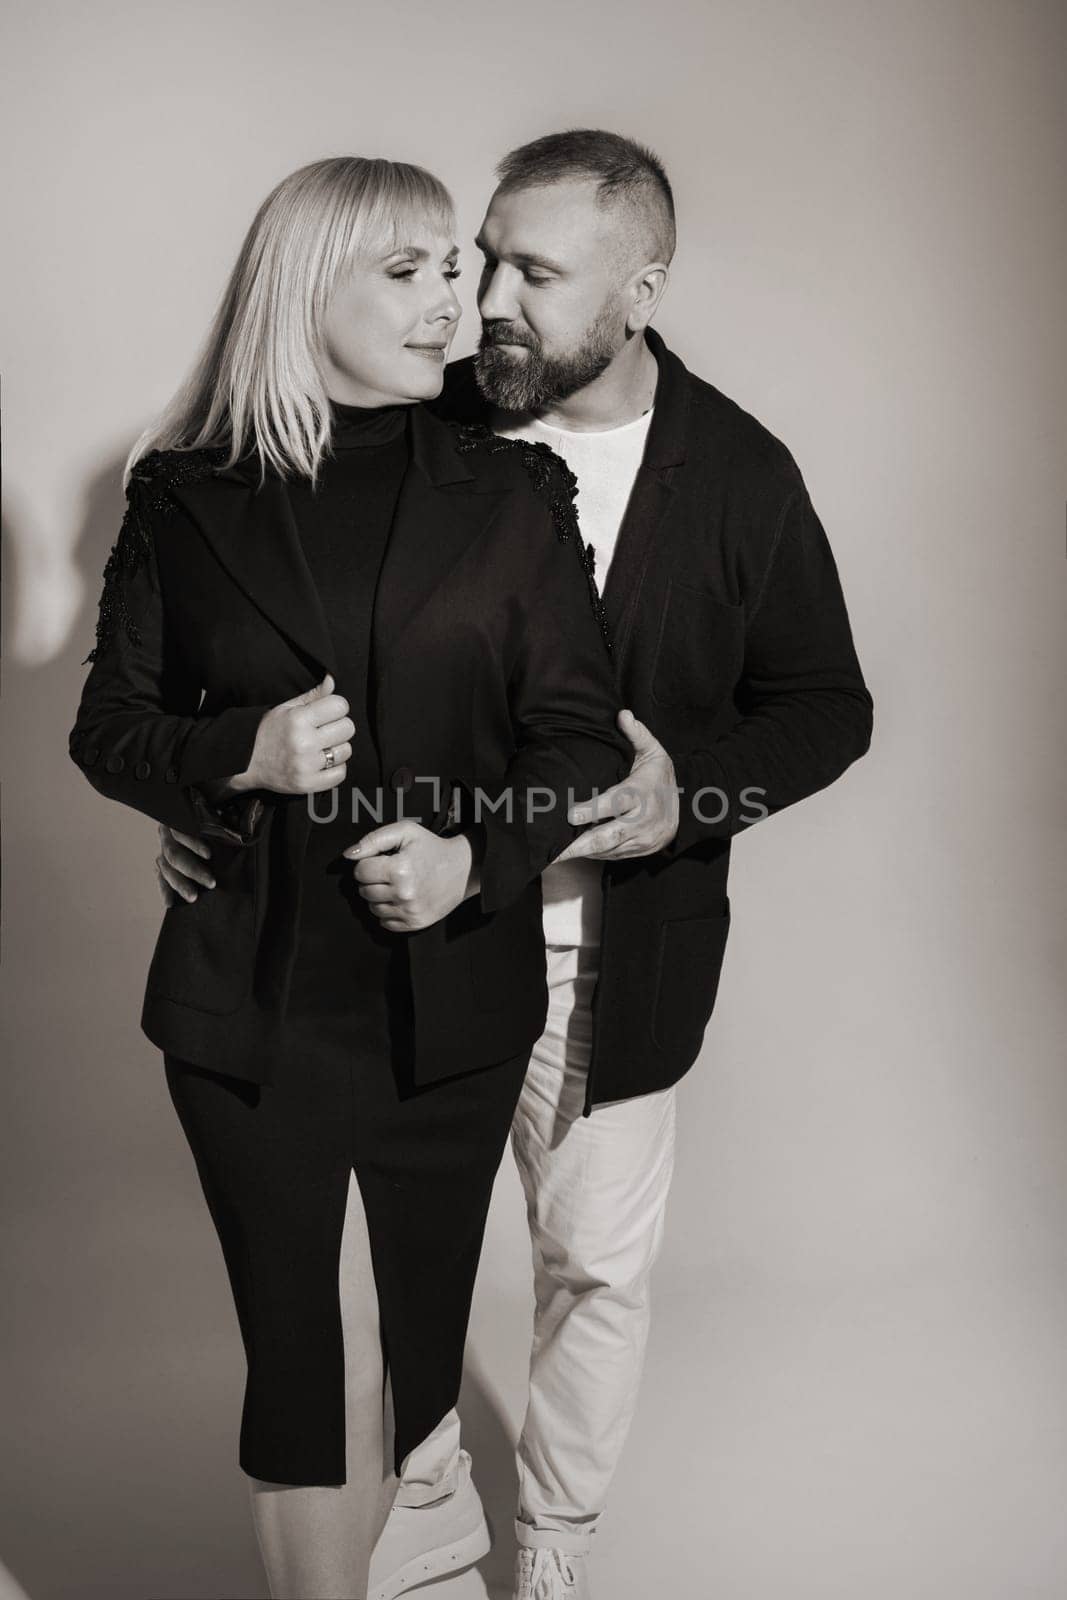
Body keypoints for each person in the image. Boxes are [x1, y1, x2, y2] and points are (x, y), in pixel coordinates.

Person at [157, 131, 874, 1600]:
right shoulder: (447, 419)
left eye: (535, 274)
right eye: (482, 257)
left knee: (594, 1270)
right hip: (404, 944)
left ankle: (548, 1550)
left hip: (621, 952)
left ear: (640, 286)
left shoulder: (738, 477)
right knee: (378, 1292)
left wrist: (691, 801)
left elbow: (827, 705)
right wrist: (217, 781)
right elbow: (278, 612)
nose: (486, 300)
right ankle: (417, 1506)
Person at [67, 154, 630, 1600]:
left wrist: (470, 861)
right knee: (301, 1360)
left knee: (415, 1355)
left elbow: (577, 741)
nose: (453, 297)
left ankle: (409, 1518)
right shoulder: (184, 497)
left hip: (450, 1005)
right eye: (410, 269)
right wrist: (234, 755)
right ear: (302, 286)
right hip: (249, 1006)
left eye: (454, 267)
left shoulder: (512, 489)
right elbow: (110, 732)